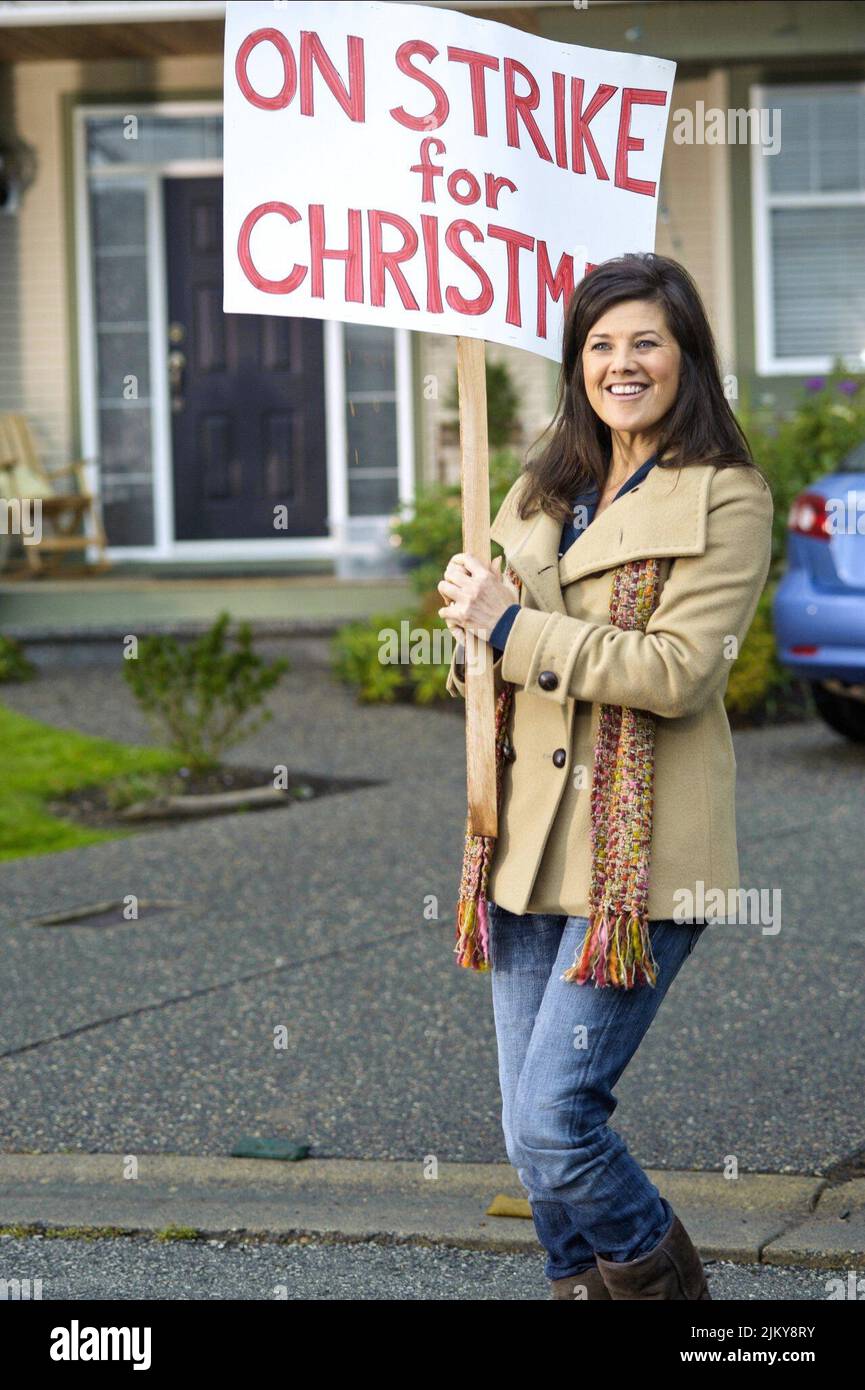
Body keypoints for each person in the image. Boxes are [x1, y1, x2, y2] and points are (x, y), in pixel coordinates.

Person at [437, 252, 774, 1301]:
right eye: (598, 345)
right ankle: (573, 1287)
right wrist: (466, 633)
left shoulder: (728, 494)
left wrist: (514, 626)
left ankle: (666, 1292)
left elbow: (677, 672)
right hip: (525, 845)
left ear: (685, 356)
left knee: (556, 1121)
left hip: (641, 857)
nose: (620, 364)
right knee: (524, 1137)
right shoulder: (548, 482)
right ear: (575, 364)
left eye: (644, 342)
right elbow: (490, 659)